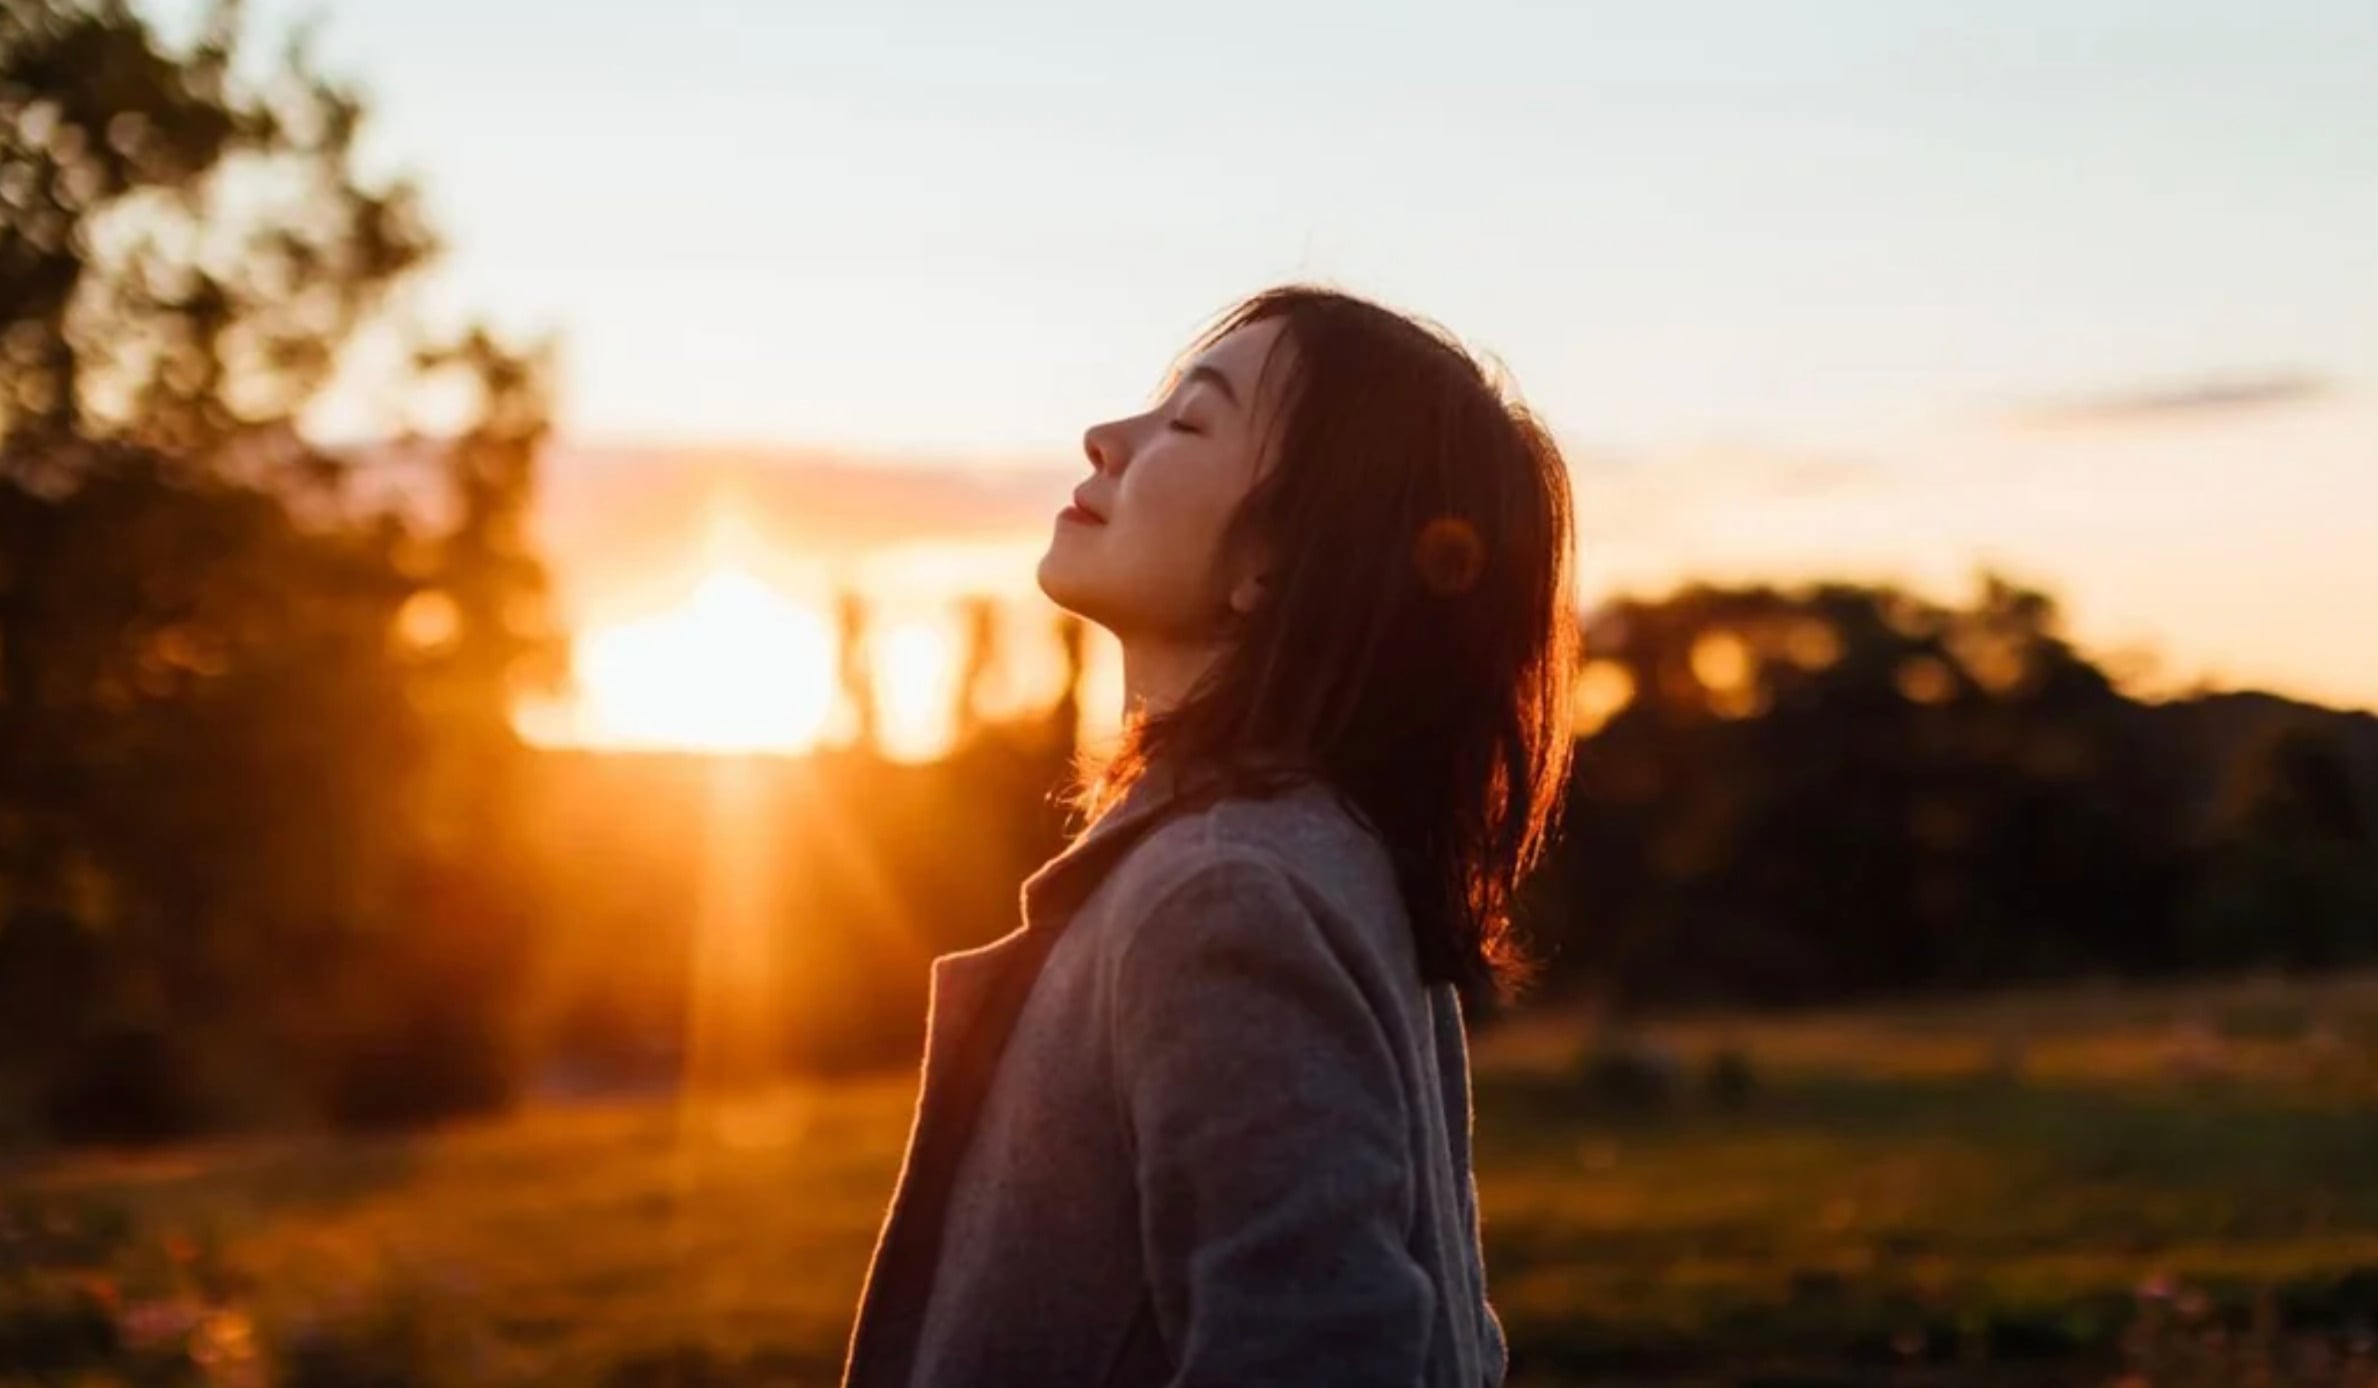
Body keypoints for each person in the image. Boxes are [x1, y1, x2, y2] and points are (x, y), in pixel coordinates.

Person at [841, 286, 1576, 1388]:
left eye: (1187, 422)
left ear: (1275, 566)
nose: (1106, 438)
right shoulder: (1312, 851)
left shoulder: (1224, 892)